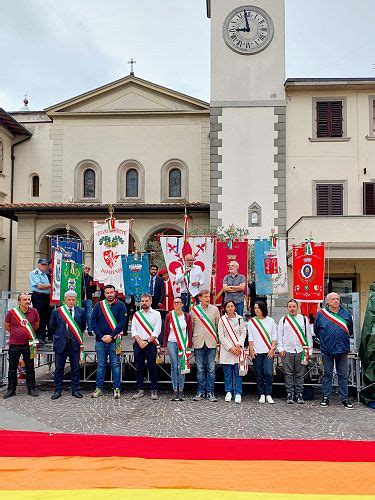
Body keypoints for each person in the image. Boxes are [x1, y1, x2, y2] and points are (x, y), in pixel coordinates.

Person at [314, 292, 354, 409]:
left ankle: (344, 399)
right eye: (333, 299)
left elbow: (349, 330)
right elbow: (317, 330)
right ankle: (326, 397)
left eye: (337, 299)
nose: (336, 301)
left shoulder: (346, 313)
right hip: (327, 349)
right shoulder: (321, 314)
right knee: (327, 374)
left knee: (342, 374)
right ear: (328, 301)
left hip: (342, 349)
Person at [90, 285, 126, 400]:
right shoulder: (98, 306)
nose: (109, 294)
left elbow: (122, 323)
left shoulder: (121, 305)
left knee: (115, 364)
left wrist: (111, 336)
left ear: (115, 293)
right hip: (100, 341)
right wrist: (102, 336)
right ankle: (99, 388)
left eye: (111, 292)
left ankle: (116, 388)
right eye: (107, 293)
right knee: (101, 365)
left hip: (115, 340)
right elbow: (93, 323)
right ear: (104, 294)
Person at [49, 291, 86, 400]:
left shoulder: (81, 312)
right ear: (65, 300)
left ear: (76, 300)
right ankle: (57, 390)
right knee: (59, 368)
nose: (71, 302)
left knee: (75, 368)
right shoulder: (57, 312)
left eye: (73, 299)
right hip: (60, 343)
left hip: (74, 344)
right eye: (69, 299)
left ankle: (75, 390)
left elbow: (82, 326)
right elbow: (52, 327)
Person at [3, 293, 39, 399]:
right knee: (12, 368)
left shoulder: (34, 312)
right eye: (24, 300)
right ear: (19, 301)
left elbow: (36, 326)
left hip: (29, 344)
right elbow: (7, 326)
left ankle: (31, 388)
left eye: (28, 299)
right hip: (14, 344)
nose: (27, 301)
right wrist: (17, 333)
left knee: (30, 367)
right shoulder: (12, 313)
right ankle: (11, 389)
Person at [278, 299, 313, 404]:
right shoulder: (283, 320)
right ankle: (289, 394)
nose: (292, 309)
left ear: (297, 307)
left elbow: (308, 336)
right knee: (288, 374)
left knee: (300, 374)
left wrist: (309, 351)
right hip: (287, 351)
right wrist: (280, 349)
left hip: (301, 351)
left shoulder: (303, 319)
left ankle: (299, 394)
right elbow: (280, 335)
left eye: (294, 306)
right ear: (287, 308)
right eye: (290, 307)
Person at [131, 293, 162, 400]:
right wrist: (140, 341)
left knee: (152, 367)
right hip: (138, 343)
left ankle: (154, 390)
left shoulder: (156, 314)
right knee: (139, 367)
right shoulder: (136, 314)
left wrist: (147, 342)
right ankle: (140, 389)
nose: (144, 303)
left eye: (146, 301)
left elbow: (157, 330)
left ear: (150, 302)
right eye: (142, 301)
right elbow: (133, 330)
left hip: (151, 344)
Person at [191, 290, 220, 401]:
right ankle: (200, 392)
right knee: (200, 369)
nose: (208, 298)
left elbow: (218, 326)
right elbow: (192, 326)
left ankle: (210, 392)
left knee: (211, 369)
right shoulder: (194, 310)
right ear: (200, 298)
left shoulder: (215, 310)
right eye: (206, 297)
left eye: (209, 297)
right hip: (198, 342)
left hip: (211, 342)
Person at [248, 300, 277, 404]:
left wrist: (272, 348)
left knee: (268, 372)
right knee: (259, 373)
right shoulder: (252, 322)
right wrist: (251, 350)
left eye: (258, 308)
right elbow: (250, 337)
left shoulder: (270, 321)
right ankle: (261, 394)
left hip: (268, 351)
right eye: (255, 308)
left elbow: (274, 335)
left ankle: (268, 394)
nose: (257, 310)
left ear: (263, 308)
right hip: (257, 352)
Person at [163, 296, 193, 401]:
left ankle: (181, 390)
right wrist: (165, 345)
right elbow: (165, 330)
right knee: (174, 367)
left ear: (182, 304)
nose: (177, 304)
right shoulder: (169, 316)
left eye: (179, 302)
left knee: (182, 367)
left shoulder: (187, 316)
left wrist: (189, 345)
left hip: (183, 344)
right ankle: (175, 390)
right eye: (175, 302)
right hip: (171, 343)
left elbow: (189, 331)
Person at [218, 300, 247, 404]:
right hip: (227, 350)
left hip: (238, 349)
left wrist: (239, 345)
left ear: (235, 307)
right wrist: (230, 348)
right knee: (228, 374)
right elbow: (221, 336)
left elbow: (243, 332)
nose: (230, 308)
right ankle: (228, 392)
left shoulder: (240, 319)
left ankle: (238, 393)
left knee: (238, 372)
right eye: (228, 306)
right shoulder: (222, 320)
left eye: (232, 306)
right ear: (225, 308)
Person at [29, 258, 51, 346]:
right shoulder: (35, 273)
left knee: (45, 317)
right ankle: (38, 336)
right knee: (39, 317)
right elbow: (39, 286)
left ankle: (42, 336)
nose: (44, 266)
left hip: (46, 297)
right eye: (42, 265)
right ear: (38, 265)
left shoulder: (45, 274)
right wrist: (51, 285)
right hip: (38, 296)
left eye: (45, 265)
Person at [81, 264, 97, 337]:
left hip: (88, 298)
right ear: (83, 269)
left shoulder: (91, 278)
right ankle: (80, 329)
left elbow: (94, 288)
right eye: (86, 268)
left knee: (89, 315)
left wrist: (90, 293)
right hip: (80, 298)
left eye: (88, 269)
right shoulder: (79, 277)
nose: (87, 270)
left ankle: (90, 330)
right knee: (80, 314)